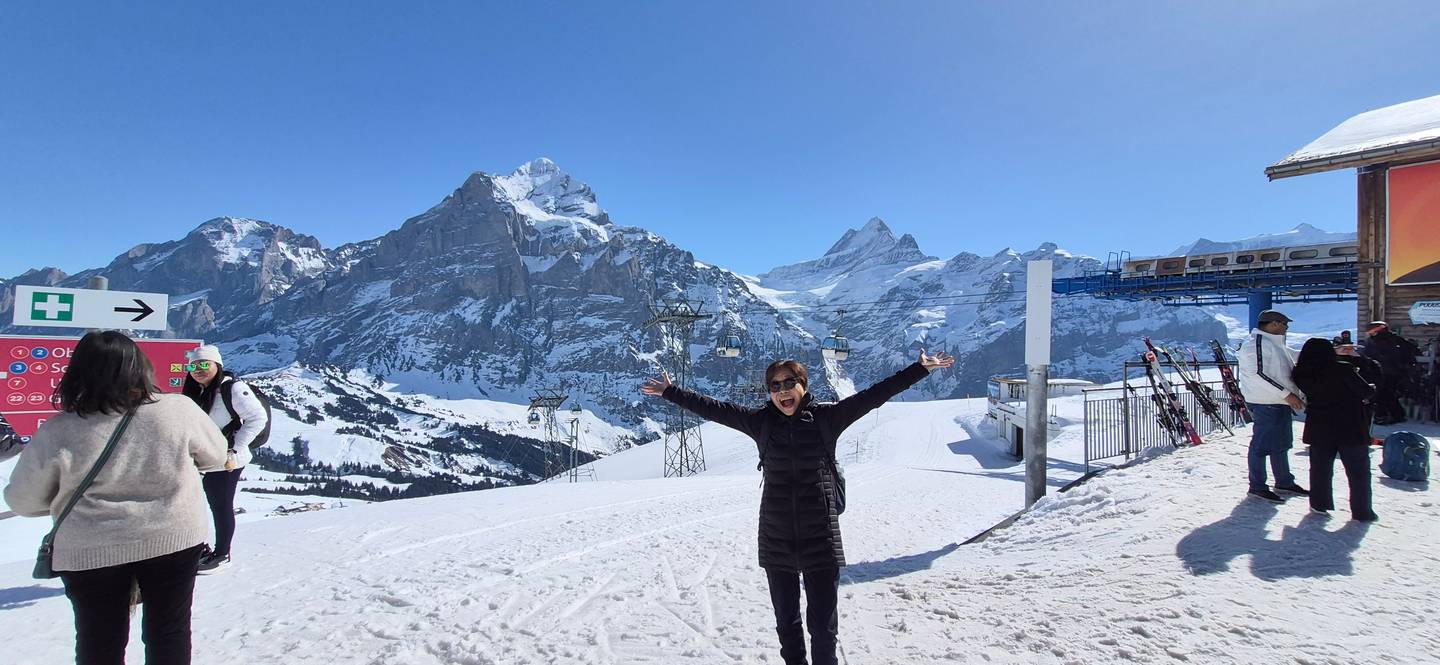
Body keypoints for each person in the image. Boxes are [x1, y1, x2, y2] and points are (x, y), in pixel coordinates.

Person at [641, 349, 954, 665]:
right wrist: (670, 391)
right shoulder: (761, 423)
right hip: (776, 538)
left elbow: (874, 395)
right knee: (787, 625)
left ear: (803, 384)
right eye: (775, 386)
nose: (782, 391)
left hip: (821, 537)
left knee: (823, 628)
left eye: (789, 382)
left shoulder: (827, 419)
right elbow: (715, 409)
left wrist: (920, 369)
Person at [3, 331, 227, 665]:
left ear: (77, 372)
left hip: (90, 548)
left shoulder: (58, 429)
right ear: (141, 368)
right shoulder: (178, 410)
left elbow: (22, 500)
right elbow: (216, 456)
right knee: (169, 631)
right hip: (172, 536)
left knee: (99, 642)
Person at [181, 345, 268, 574]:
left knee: (220, 505)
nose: (198, 370)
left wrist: (235, 449)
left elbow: (258, 418)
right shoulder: (196, 391)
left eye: (204, 364)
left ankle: (222, 554)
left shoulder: (232, 389)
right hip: (201, 458)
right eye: (193, 366)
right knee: (193, 504)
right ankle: (202, 549)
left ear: (217, 365)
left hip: (226, 461)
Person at [1292, 338, 1379, 522]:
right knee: (1358, 471)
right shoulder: (1343, 369)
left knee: (1320, 469)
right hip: (1350, 424)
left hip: (1319, 425)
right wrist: (1370, 386)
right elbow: (1366, 392)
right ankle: (1362, 511)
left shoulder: (1301, 373)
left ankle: (1319, 504)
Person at [1236, 309, 1309, 503]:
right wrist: (1287, 394)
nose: (1287, 327)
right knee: (1261, 445)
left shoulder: (1274, 344)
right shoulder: (1256, 345)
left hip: (1277, 402)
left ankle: (1284, 481)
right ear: (1274, 324)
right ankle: (1257, 486)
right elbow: (1257, 374)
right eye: (1285, 324)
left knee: (1280, 444)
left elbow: (1297, 357)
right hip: (1266, 403)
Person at [1359, 321, 1420, 425]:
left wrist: (1404, 366)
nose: (1371, 334)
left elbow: (1409, 352)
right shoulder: (1373, 341)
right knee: (1382, 394)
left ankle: (1394, 415)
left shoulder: (1392, 340)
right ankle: (1385, 415)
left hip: (1391, 372)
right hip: (1380, 371)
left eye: (1373, 331)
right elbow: (1366, 354)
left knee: (1386, 394)